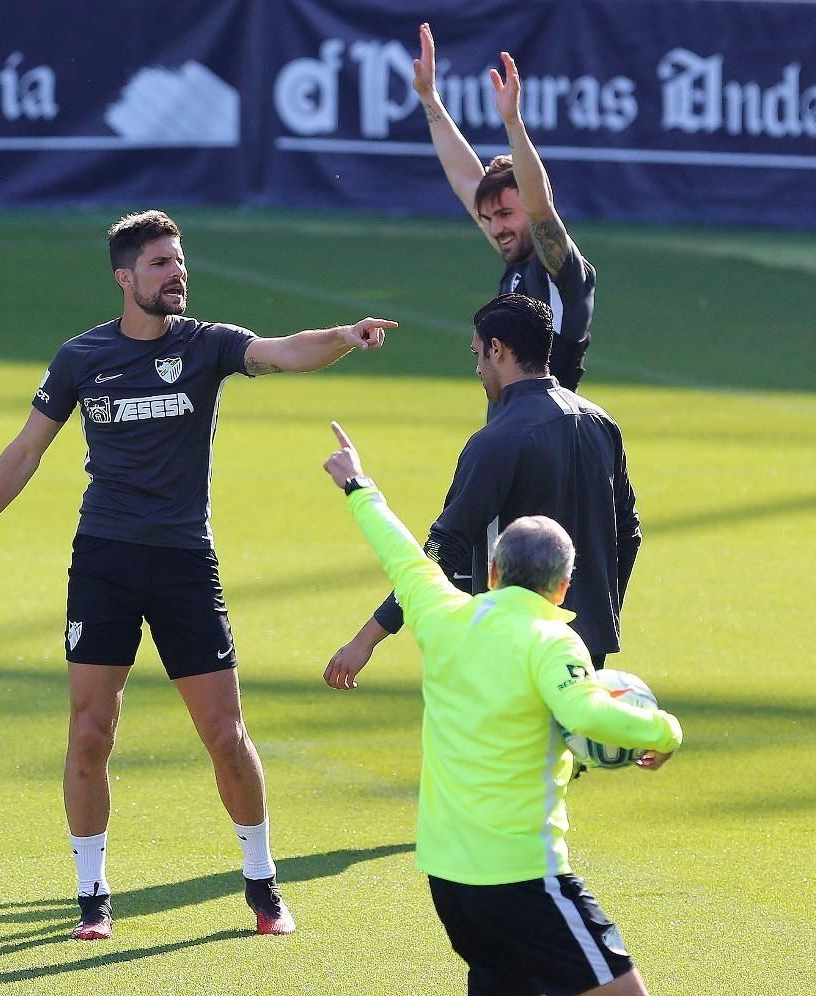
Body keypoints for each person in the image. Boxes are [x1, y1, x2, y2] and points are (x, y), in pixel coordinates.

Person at [0, 209, 397, 940]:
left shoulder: (207, 345)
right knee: (91, 732)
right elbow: (26, 451)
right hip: (105, 561)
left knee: (224, 731)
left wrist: (342, 336)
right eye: (160, 265)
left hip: (184, 562)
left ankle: (262, 882)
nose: (177, 274)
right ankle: (92, 894)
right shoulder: (81, 357)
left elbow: (283, 351)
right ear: (124, 277)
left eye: (179, 262)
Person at [321, 420, 682, 995]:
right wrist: (665, 731)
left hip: (449, 880)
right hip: (523, 879)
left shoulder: (442, 612)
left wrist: (358, 483)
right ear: (564, 586)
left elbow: (401, 552)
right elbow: (588, 715)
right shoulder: (553, 639)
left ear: (492, 571)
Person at [326, 294, 639, 692]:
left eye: (478, 354)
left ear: (498, 350)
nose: (477, 368)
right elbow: (628, 532)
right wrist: (600, 615)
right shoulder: (602, 424)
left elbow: (441, 551)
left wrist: (365, 640)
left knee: (503, 752)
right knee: (566, 753)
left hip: (511, 647)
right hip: (585, 647)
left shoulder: (497, 440)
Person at [413, 22, 597, 391]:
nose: (496, 228)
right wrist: (429, 98)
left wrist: (513, 123)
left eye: (505, 215)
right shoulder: (517, 261)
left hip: (550, 432)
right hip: (512, 428)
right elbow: (467, 181)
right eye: (488, 219)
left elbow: (540, 206)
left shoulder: (561, 271)